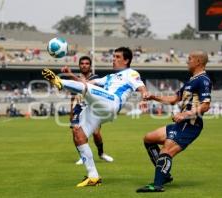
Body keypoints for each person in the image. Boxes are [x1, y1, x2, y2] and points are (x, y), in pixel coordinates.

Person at [42, 47, 149, 187]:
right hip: (98, 108)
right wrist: (70, 75)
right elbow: (84, 84)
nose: (113, 59)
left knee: (87, 89)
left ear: (126, 60)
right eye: (114, 56)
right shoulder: (110, 77)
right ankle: (93, 177)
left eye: (117, 57)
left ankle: (59, 82)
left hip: (112, 102)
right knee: (78, 134)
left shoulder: (131, 73)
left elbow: (142, 87)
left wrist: (143, 98)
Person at [136, 51, 212, 193]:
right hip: (180, 124)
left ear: (198, 62)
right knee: (148, 139)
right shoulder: (191, 80)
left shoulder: (204, 80)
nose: (187, 61)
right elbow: (174, 99)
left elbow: (206, 106)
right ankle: (164, 175)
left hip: (190, 125)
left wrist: (185, 114)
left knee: (166, 151)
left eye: (189, 59)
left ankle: (157, 184)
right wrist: (153, 96)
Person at [61, 56, 113, 165]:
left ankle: (101, 153)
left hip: (92, 108)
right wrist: (71, 111)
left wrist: (70, 74)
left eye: (87, 63)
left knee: (96, 133)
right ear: (79, 65)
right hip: (78, 108)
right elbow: (73, 95)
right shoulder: (75, 77)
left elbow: (86, 85)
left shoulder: (95, 78)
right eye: (82, 63)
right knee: (75, 132)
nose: (84, 65)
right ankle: (83, 157)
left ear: (90, 66)